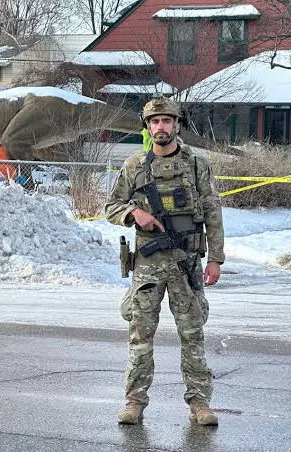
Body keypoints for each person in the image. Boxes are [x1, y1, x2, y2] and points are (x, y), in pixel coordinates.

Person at [105, 95, 224, 426]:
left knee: (192, 335)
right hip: (148, 265)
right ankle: (134, 401)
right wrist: (135, 213)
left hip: (187, 263)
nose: (161, 126)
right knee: (140, 336)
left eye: (167, 121)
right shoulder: (134, 166)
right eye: (155, 121)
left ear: (177, 125)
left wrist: (216, 258)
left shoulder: (196, 164)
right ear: (147, 127)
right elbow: (111, 206)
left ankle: (200, 403)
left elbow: (213, 211)